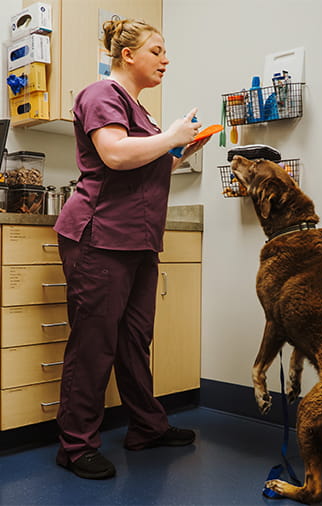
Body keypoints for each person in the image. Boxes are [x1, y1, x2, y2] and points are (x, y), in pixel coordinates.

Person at [52, 18, 210, 480]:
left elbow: (144, 161)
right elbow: (116, 155)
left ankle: (146, 426)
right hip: (98, 237)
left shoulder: (141, 110)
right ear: (128, 56)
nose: (166, 59)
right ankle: (75, 445)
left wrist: (182, 148)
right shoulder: (100, 95)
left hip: (137, 239)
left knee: (134, 340)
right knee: (94, 344)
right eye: (157, 51)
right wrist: (171, 139)